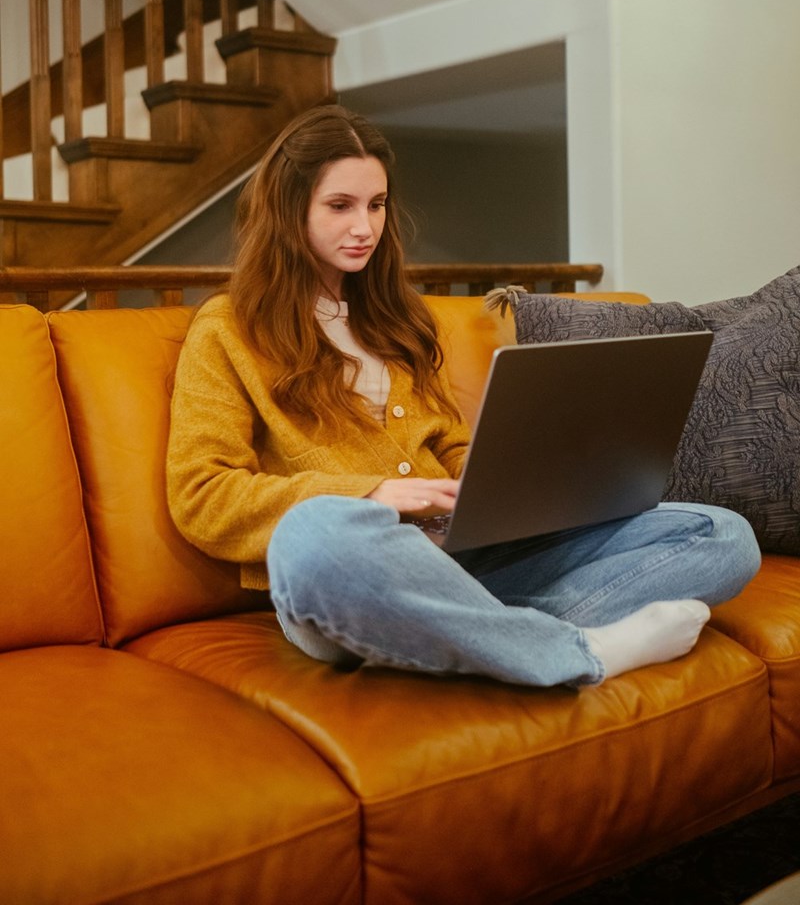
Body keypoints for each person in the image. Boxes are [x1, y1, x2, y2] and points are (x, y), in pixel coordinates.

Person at [167, 103, 761, 688]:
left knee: (723, 536)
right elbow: (203, 496)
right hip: (362, 575)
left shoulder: (400, 320)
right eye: (340, 206)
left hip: (469, 558)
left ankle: (466, 638)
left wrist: (498, 486)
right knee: (314, 533)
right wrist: (376, 494)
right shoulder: (227, 330)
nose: (364, 227)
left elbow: (449, 444)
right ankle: (581, 650)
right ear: (288, 211)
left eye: (376, 205)